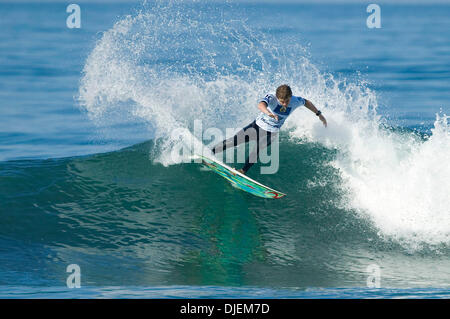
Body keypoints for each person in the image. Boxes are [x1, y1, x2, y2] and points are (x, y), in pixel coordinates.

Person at [211, 84, 327, 175]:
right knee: (233, 141)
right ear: (278, 98)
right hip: (257, 126)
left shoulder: (295, 100)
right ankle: (210, 152)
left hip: (271, 132)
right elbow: (260, 104)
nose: (285, 104)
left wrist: (319, 114)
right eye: (282, 101)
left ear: (290, 97)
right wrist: (268, 113)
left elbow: (306, 102)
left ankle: (243, 171)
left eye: (287, 101)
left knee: (257, 149)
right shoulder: (271, 96)